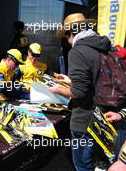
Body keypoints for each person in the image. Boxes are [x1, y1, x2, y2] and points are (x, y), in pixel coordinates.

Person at [49, 13, 111, 171]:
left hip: (84, 118)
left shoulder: (77, 51)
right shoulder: (102, 46)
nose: (67, 40)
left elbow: (79, 92)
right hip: (105, 115)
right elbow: (96, 78)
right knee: (97, 158)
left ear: (71, 33)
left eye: (66, 36)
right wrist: (70, 80)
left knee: (83, 165)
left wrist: (57, 90)